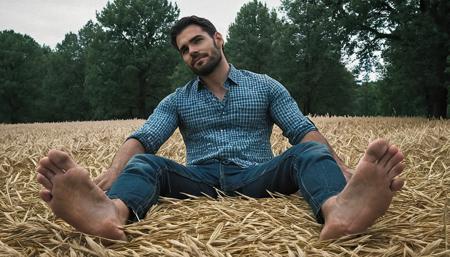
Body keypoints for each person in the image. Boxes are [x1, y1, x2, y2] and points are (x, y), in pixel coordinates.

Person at [35, 16, 405, 242]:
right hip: (199, 178)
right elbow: (144, 138)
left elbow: (301, 130)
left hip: (259, 175)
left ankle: (338, 210)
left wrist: (341, 169)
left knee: (310, 152)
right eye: (183, 49)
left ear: (218, 39)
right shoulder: (177, 100)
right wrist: (113, 173)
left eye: (197, 40)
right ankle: (110, 214)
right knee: (147, 165)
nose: (191, 51)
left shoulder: (266, 86)